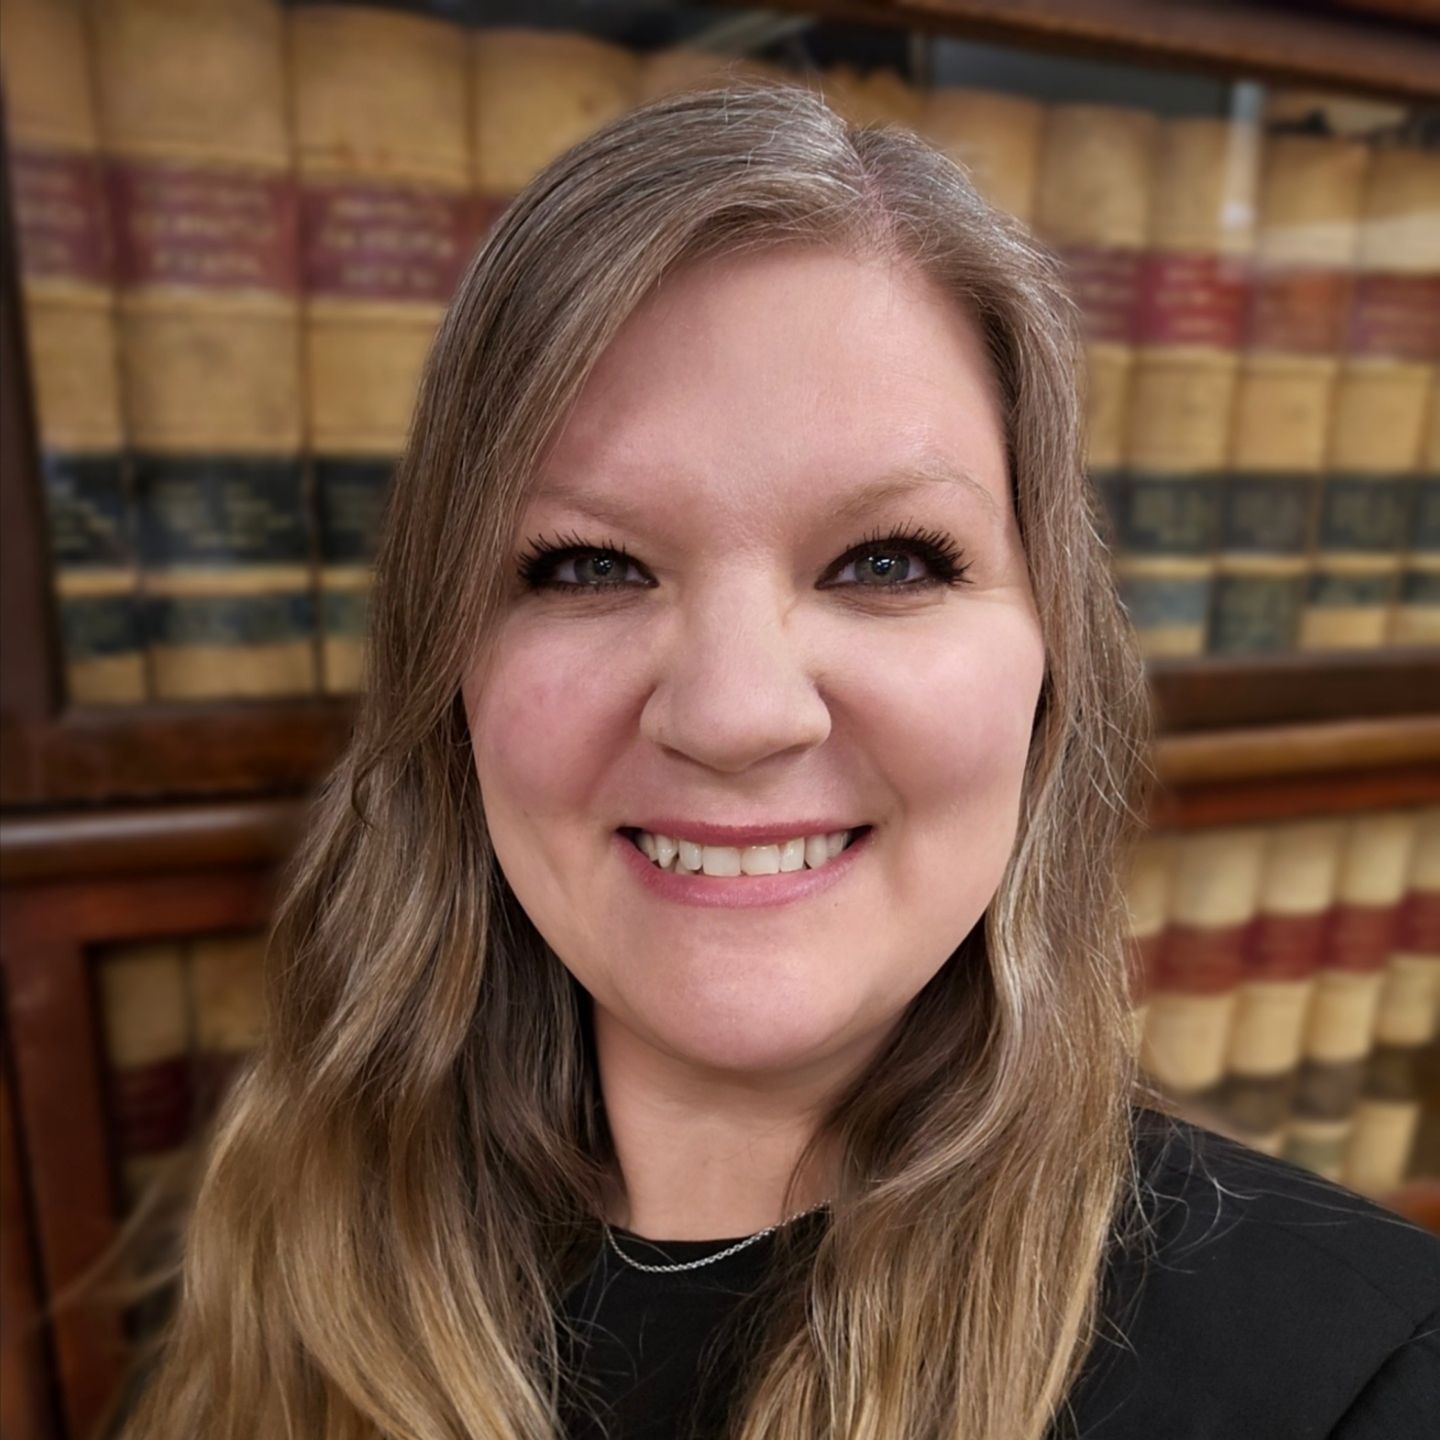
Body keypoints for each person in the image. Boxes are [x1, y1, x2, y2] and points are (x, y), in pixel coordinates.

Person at [115, 82, 1437, 1440]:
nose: (737, 711)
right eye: (588, 565)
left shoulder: (1370, 1379)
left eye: (887, 563)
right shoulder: (279, 1261)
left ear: (1054, 665)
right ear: (448, 673)